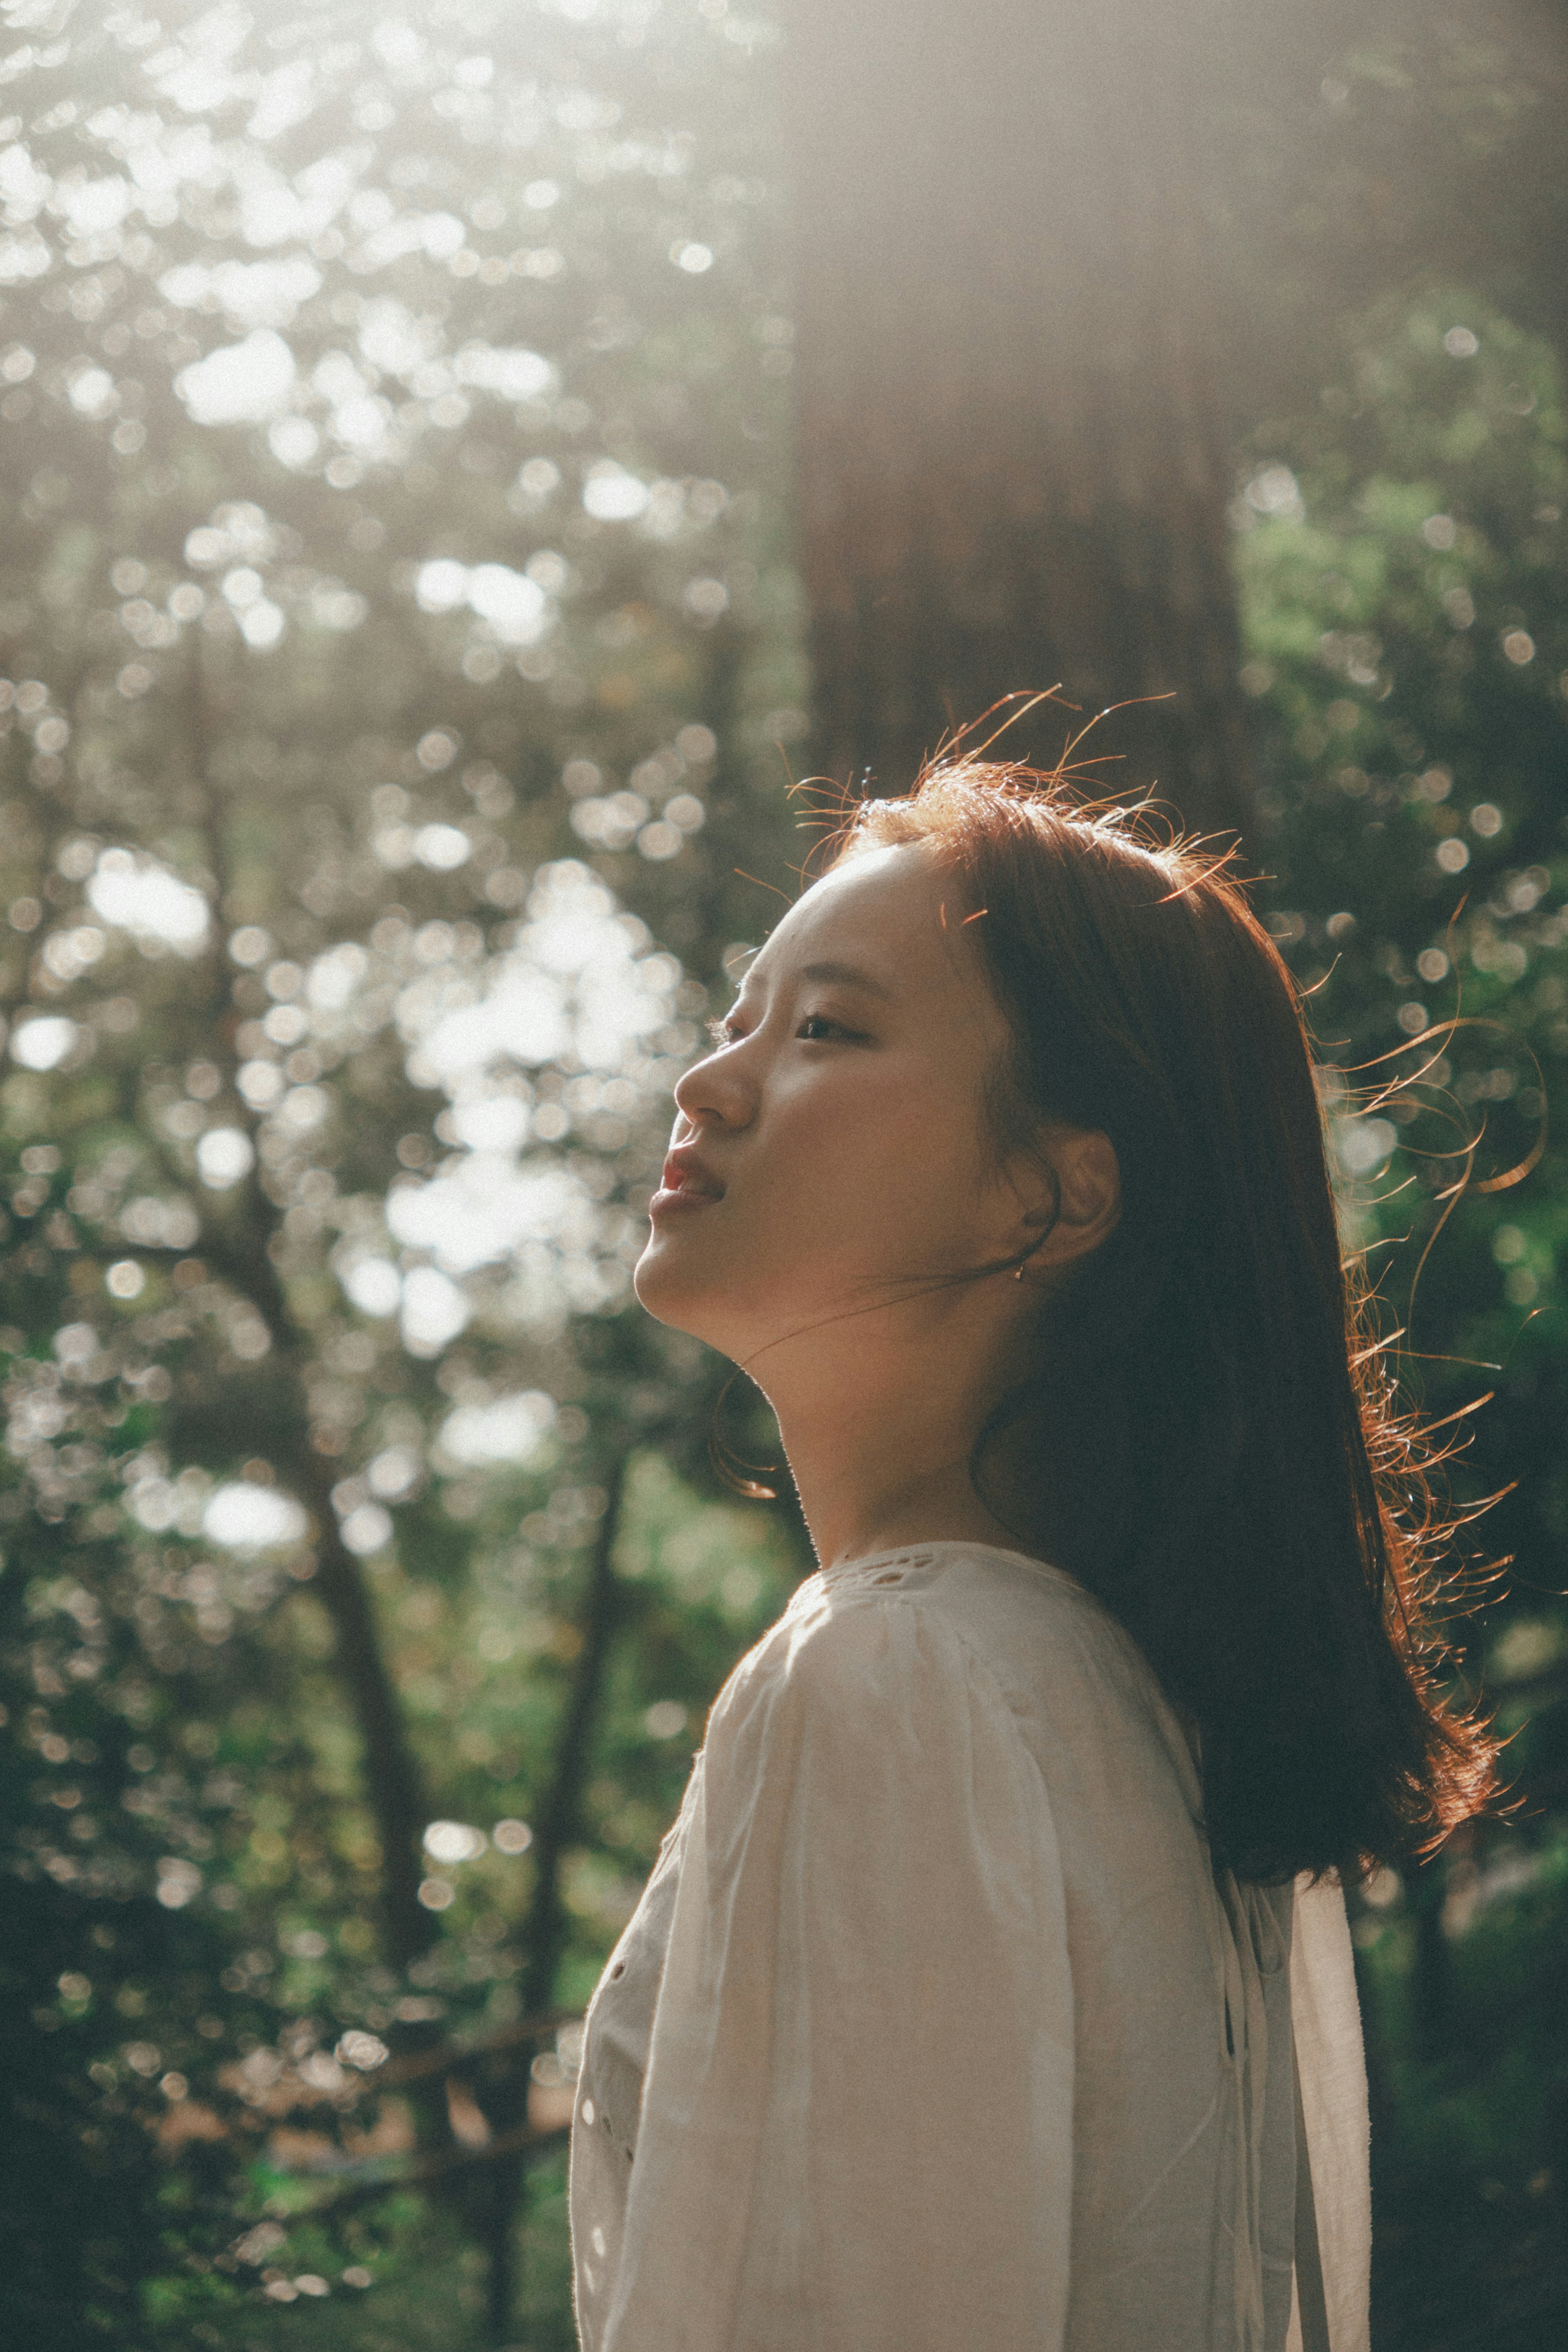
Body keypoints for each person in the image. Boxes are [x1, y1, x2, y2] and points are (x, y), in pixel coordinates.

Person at [567, 761, 1496, 2351]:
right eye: (741, 1016)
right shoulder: (1135, 1717)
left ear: (1054, 1199)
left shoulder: (901, 1670)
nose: (708, 1084)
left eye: (827, 1030)